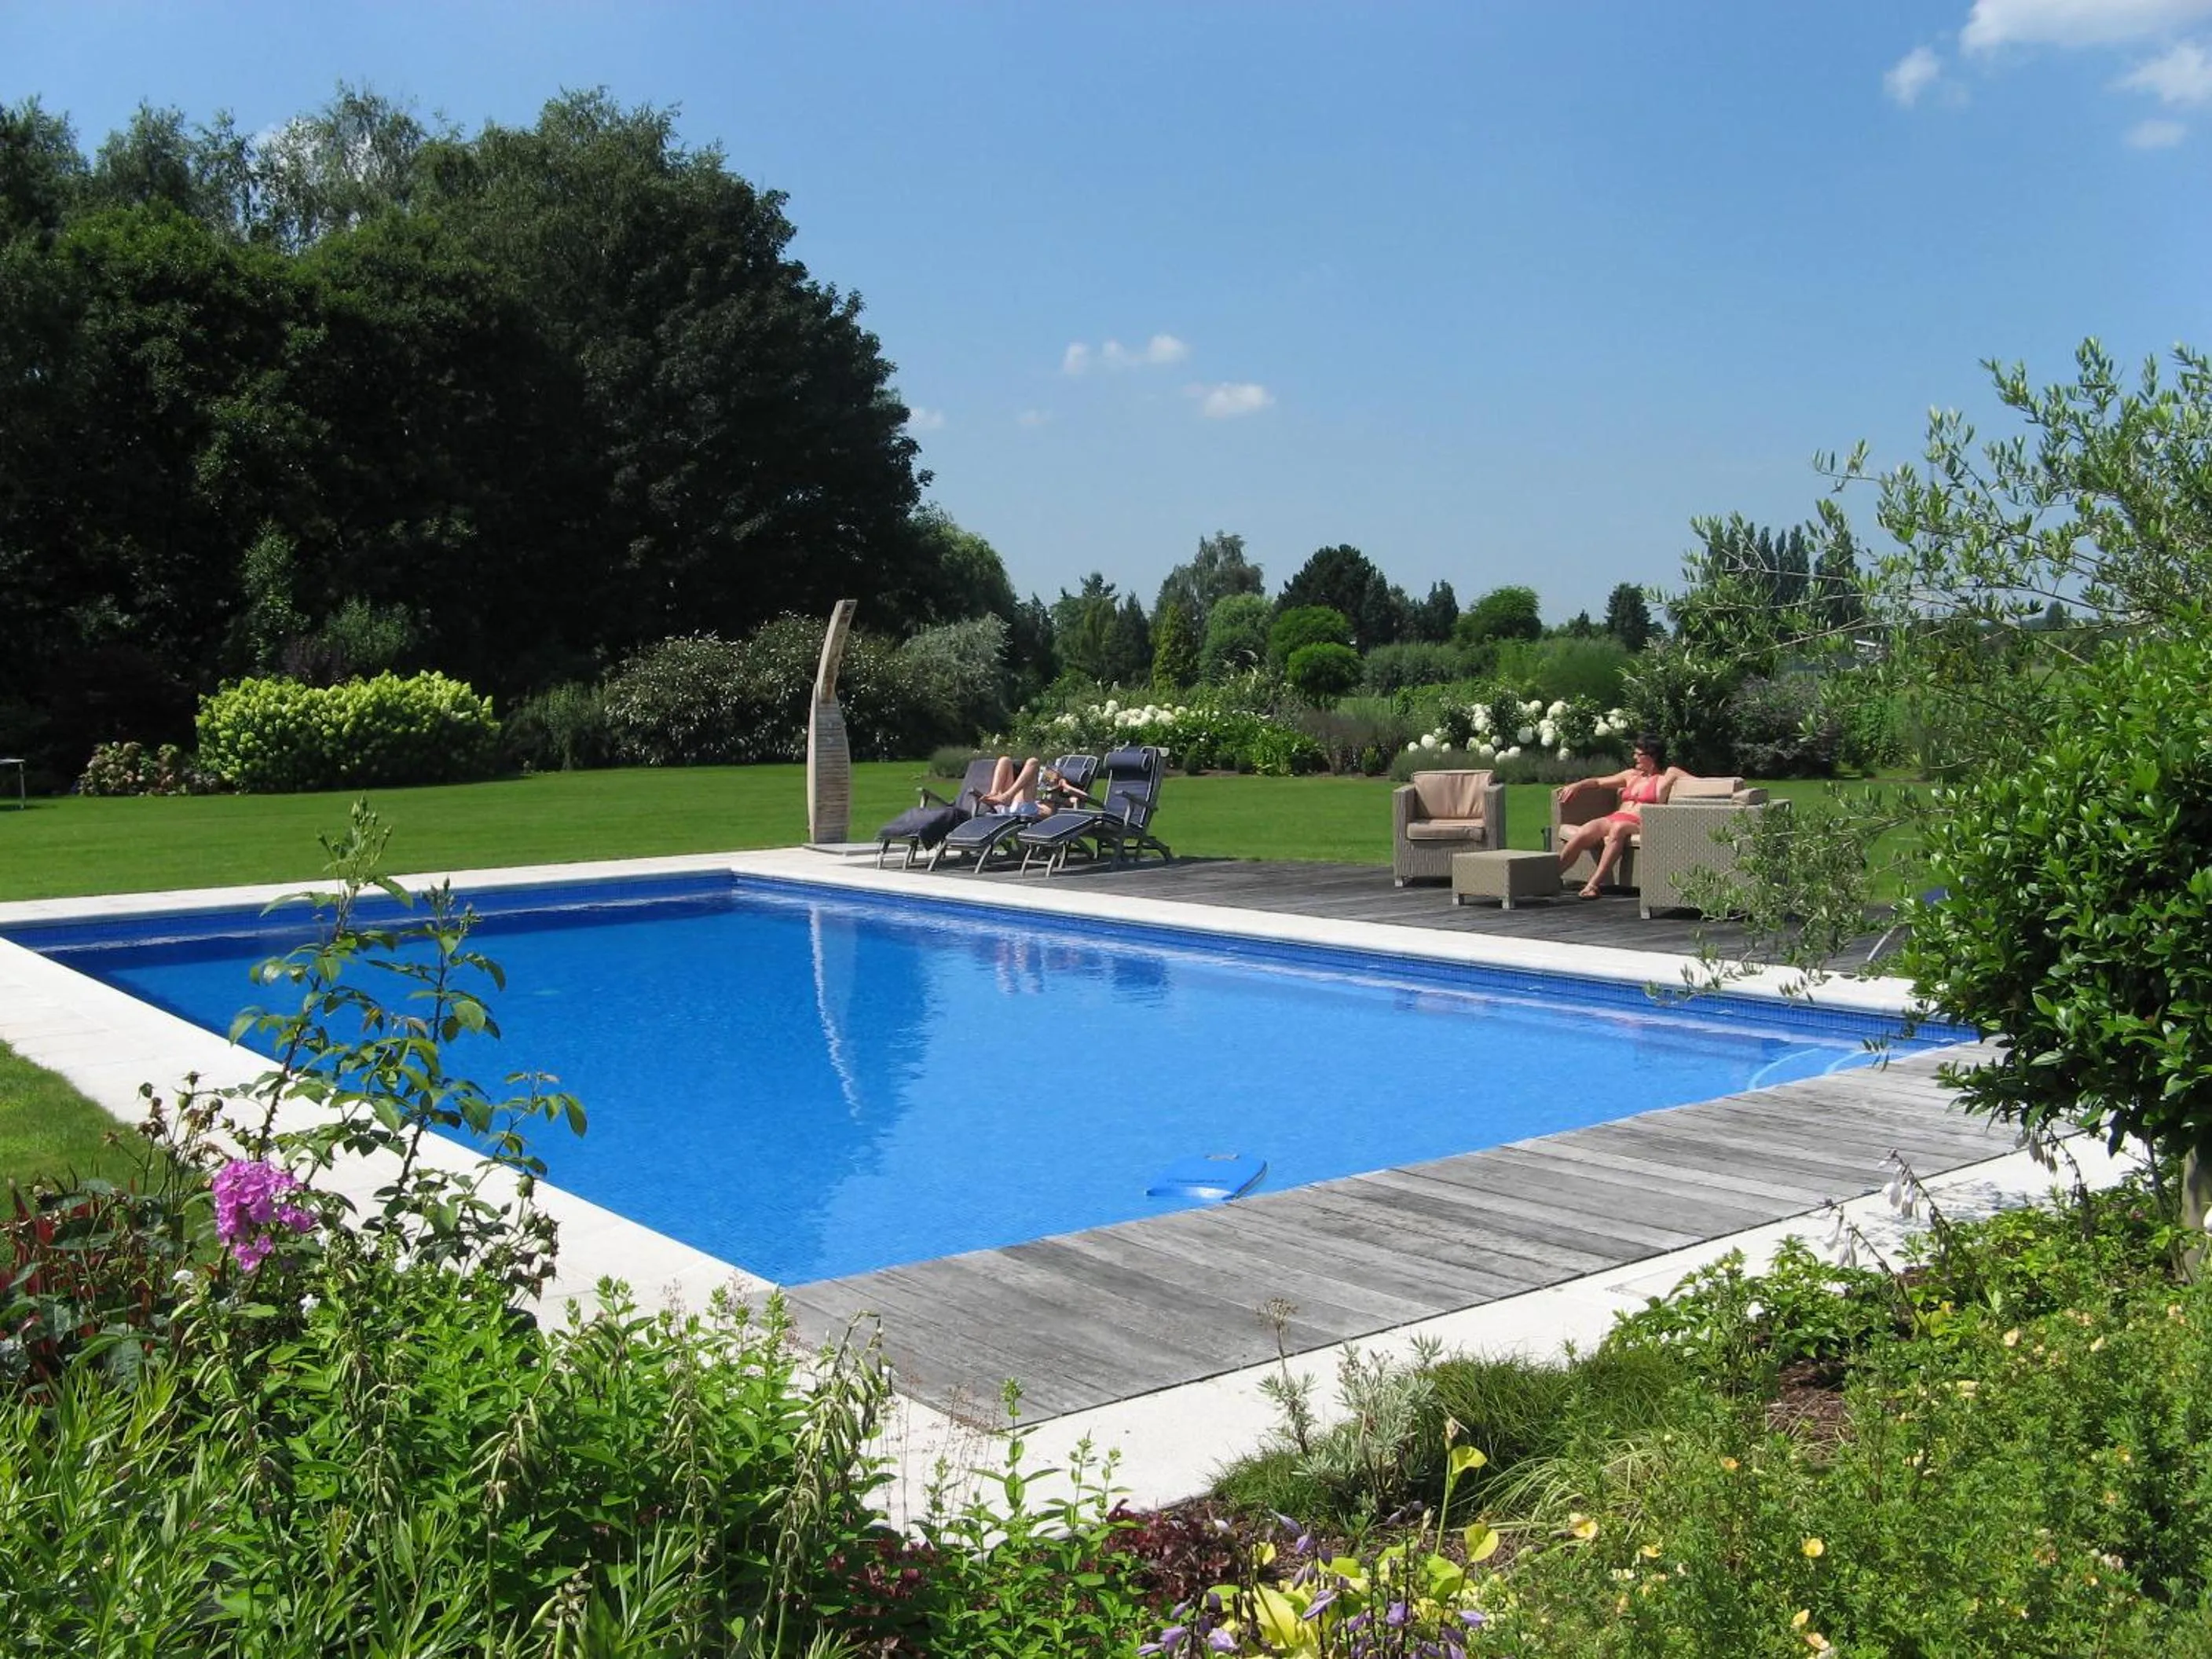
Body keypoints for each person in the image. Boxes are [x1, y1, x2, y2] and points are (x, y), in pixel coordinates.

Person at [1552, 734, 1694, 899]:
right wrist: (1577, 785)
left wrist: (1725, 790)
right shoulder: (1631, 775)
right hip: (1617, 817)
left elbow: (1701, 783)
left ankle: (1593, 885)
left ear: (1653, 755)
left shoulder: (1668, 775)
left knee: (1618, 828)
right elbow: (1598, 782)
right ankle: (1549, 878)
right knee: (1585, 831)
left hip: (1642, 822)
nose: (1634, 757)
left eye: (1638, 754)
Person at [976, 756, 1086, 819]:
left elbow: (1083, 797)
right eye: (1050, 776)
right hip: (1009, 806)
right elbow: (1047, 777)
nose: (1051, 778)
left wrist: (1065, 786)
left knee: (1033, 762)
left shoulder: (1062, 794)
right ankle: (994, 793)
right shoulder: (1039, 788)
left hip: (1027, 810)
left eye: (1056, 777)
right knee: (1005, 760)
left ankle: (1007, 796)